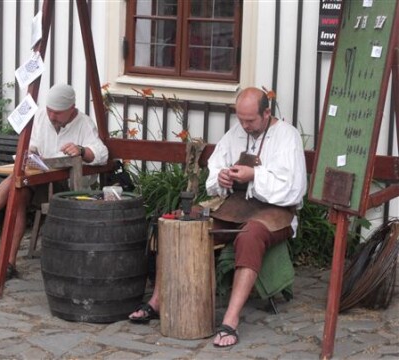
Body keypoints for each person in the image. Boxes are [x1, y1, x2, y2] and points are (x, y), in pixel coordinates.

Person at [128, 87, 307, 348]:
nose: (244, 126)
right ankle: (158, 301)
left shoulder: (287, 137)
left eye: (250, 121)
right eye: (241, 119)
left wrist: (254, 175)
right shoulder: (235, 133)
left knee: (250, 235)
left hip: (276, 213)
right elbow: (214, 171)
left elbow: (294, 189)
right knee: (185, 223)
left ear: (267, 113)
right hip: (234, 207)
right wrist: (221, 178)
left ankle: (230, 320)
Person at [0, 84, 109, 281]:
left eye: (57, 113)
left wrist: (81, 151)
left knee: (16, 184)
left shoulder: (84, 123)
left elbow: (102, 154)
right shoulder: (41, 116)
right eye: (49, 111)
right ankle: (8, 264)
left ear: (71, 109)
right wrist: (30, 154)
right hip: (41, 179)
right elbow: (33, 145)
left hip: (68, 186)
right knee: (17, 190)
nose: (52, 116)